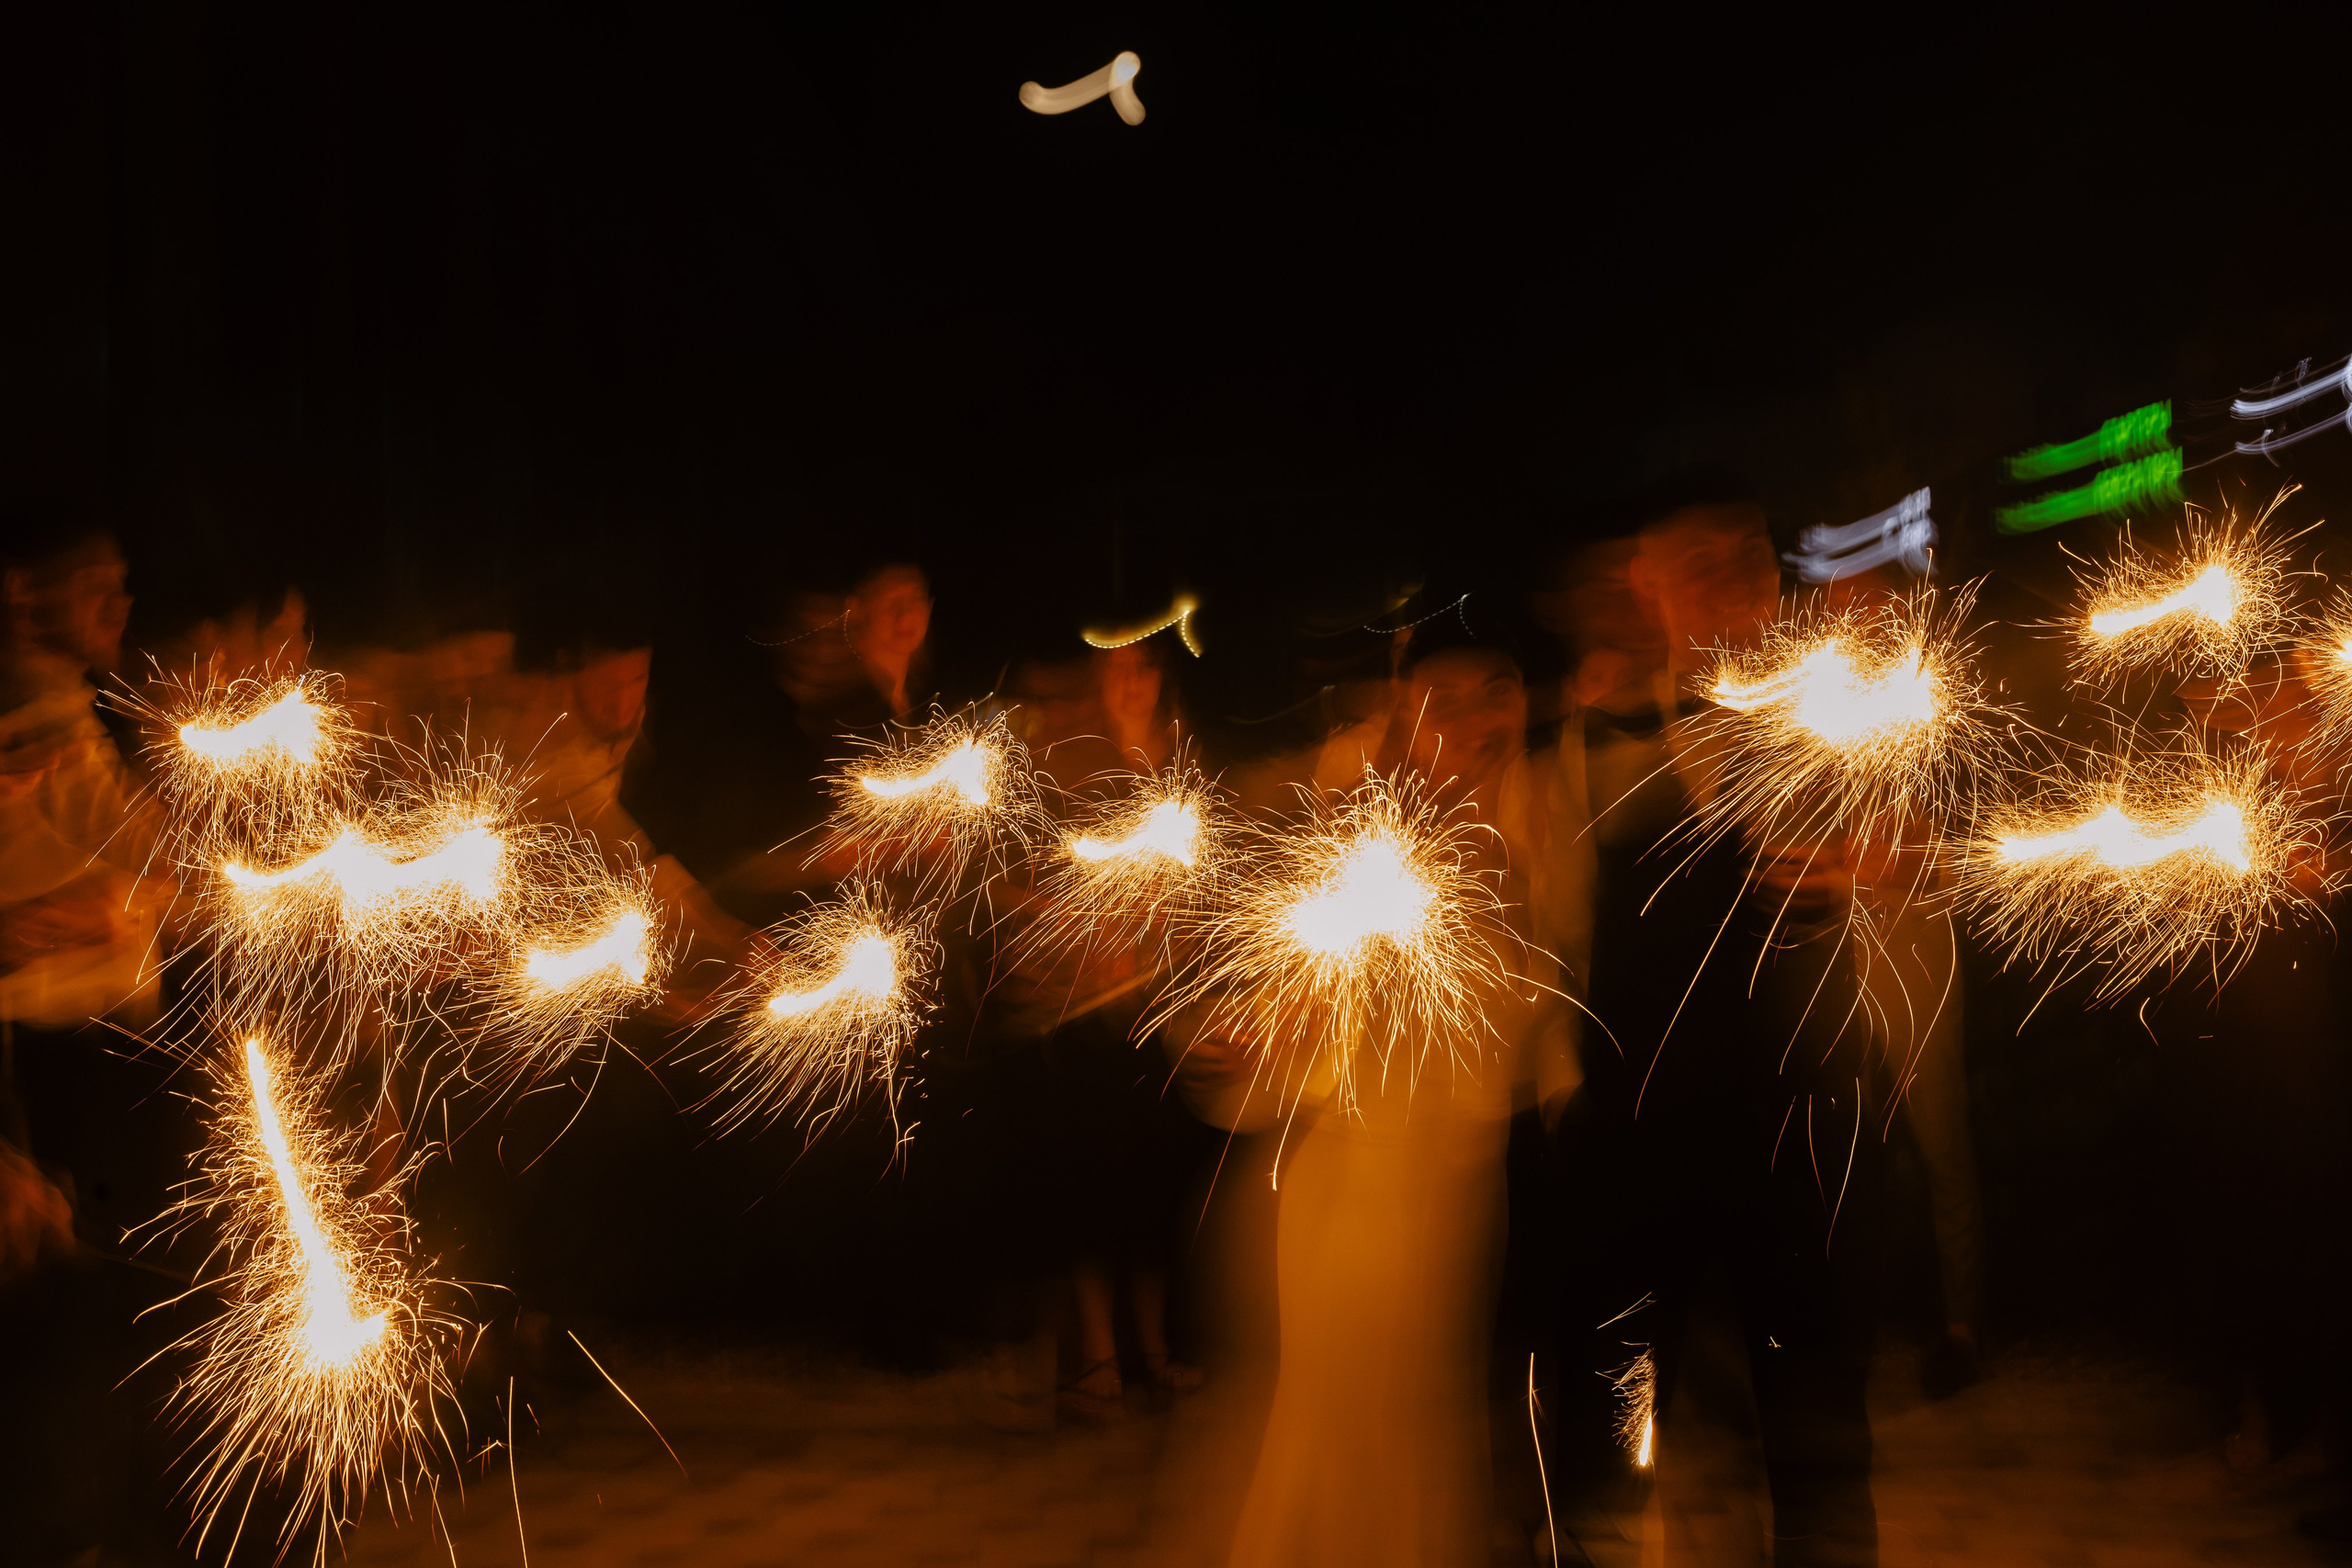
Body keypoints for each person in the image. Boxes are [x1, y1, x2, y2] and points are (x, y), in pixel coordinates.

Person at [1212, 626, 1585, 1568]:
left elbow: (1552, 1012)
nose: (1470, 720)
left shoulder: (1549, 820)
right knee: (1344, 1424)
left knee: (1426, 1425)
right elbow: (1292, 1004)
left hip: (1465, 1188)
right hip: (1356, 1186)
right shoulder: (1364, 839)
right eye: (1440, 702)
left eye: (1493, 690)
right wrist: (1269, 1028)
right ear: (1404, 720)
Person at [1570, 496, 1880, 1567]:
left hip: (1786, 1116)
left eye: (1749, 555)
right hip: (1636, 1133)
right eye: (1698, 562)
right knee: (1617, 1402)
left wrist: (1852, 883)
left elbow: (1896, 871)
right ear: (1646, 584)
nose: (1734, 582)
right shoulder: (1580, 733)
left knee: (1811, 1397)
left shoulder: (1831, 716)